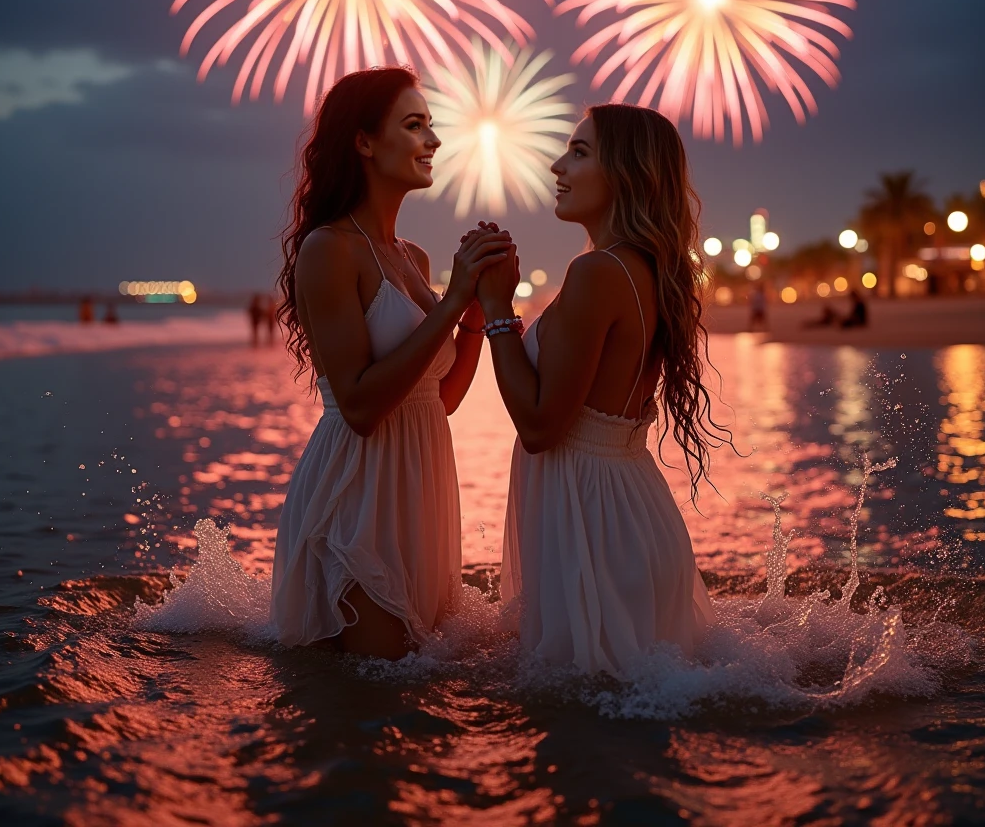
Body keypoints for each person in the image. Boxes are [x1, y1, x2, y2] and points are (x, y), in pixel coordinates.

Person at [270, 66, 512, 660]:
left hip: (420, 486)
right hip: (358, 491)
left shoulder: (413, 256)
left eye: (431, 126)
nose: (432, 141)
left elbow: (439, 399)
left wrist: (476, 313)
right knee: (369, 699)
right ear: (364, 141)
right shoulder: (330, 249)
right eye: (413, 125)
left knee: (412, 696)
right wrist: (452, 301)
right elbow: (358, 406)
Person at [476, 103, 725, 677]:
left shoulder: (598, 273)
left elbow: (540, 428)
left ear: (626, 173)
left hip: (594, 524)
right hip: (627, 510)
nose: (557, 165)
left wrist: (495, 310)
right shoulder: (640, 267)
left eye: (580, 152)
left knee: (583, 730)